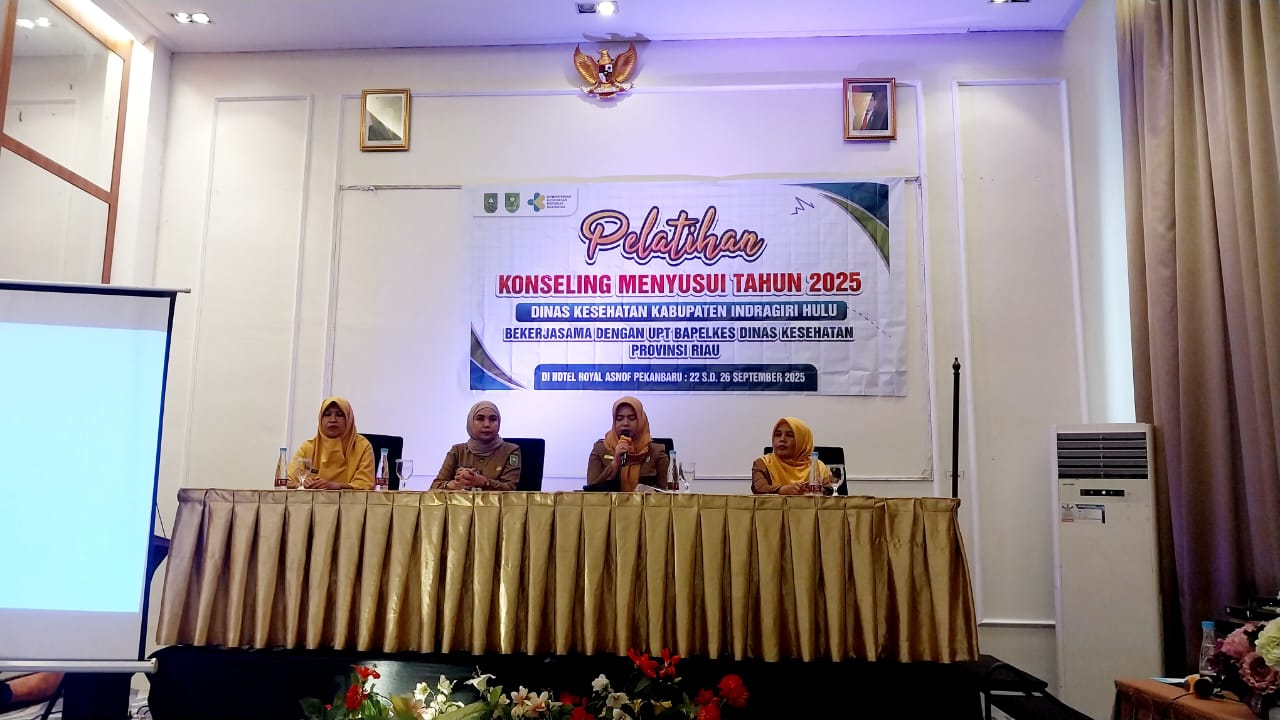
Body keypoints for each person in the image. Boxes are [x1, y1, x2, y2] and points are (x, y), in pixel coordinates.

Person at [431, 401, 522, 491]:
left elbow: (510, 489)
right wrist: (453, 484)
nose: (487, 424)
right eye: (480, 419)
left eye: (493, 419)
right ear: (470, 422)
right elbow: (435, 487)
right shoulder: (457, 451)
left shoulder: (511, 451)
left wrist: (485, 482)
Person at [288, 396, 375, 490]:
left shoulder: (362, 447)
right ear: (320, 420)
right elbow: (287, 480)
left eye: (339, 415)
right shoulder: (309, 447)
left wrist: (338, 486)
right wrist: (301, 484)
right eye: (327, 414)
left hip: (349, 499)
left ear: (349, 419)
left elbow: (366, 484)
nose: (333, 420)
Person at [586, 396, 670, 492]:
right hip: (608, 502)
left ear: (641, 421)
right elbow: (590, 491)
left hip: (645, 502)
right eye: (619, 419)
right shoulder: (600, 449)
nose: (625, 423)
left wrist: (653, 493)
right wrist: (615, 463)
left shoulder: (656, 452)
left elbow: (667, 493)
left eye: (632, 418)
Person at [751, 417, 834, 495]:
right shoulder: (763, 463)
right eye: (778, 434)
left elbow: (829, 491)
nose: (782, 439)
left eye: (790, 435)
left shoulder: (817, 466)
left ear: (802, 441)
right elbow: (759, 488)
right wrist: (781, 489)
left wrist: (814, 489)